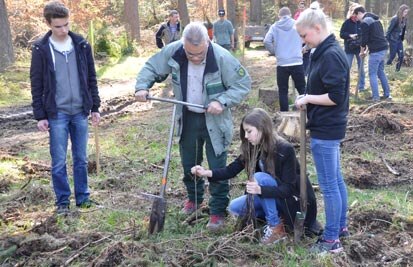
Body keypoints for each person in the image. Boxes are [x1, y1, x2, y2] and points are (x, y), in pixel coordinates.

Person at [135, 22, 251, 232]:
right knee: (189, 162)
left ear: (208, 42)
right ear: (183, 45)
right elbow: (151, 67)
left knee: (216, 167)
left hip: (215, 121)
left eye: (200, 54)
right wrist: (142, 86)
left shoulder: (222, 57)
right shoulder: (175, 51)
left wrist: (222, 101)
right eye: (190, 54)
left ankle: (217, 211)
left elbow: (243, 84)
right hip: (187, 116)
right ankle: (194, 199)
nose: (195, 58)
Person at [191, 108, 322, 245]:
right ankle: (275, 219)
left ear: (262, 129)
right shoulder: (254, 148)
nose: (246, 136)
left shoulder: (284, 149)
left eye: (249, 131)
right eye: (245, 132)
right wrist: (206, 173)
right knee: (235, 207)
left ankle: (275, 227)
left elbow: (288, 189)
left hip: (292, 203)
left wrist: (260, 190)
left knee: (260, 177)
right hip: (273, 196)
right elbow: (231, 170)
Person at [30, 1, 101, 214]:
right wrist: (40, 115)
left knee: (80, 158)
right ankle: (62, 202)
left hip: (80, 111)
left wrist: (95, 106)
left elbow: (91, 77)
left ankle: (83, 198)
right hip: (57, 113)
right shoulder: (41, 49)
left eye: (66, 24)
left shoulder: (81, 45)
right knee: (59, 161)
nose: (63, 30)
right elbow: (36, 83)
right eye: (58, 26)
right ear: (49, 24)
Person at [295, 8, 350, 254]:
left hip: (326, 129)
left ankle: (331, 241)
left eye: (304, 35)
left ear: (317, 29)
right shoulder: (323, 51)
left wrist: (307, 98)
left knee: (329, 186)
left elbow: (336, 96)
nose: (303, 40)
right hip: (327, 127)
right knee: (336, 181)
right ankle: (340, 228)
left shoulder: (331, 55)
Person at [264, 7, 306, 111]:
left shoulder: (275, 26)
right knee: (302, 89)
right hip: (297, 61)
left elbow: (266, 41)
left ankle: (284, 114)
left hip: (282, 63)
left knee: (283, 90)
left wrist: (274, 52)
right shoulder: (297, 24)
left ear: (279, 16)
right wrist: (303, 48)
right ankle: (307, 111)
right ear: (290, 15)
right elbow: (306, 36)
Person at [353, 6, 391, 101]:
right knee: (380, 72)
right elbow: (374, 37)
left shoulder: (365, 22)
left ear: (359, 13)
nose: (357, 19)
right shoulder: (376, 20)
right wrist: (366, 51)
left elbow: (364, 40)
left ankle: (376, 97)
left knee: (372, 74)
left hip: (377, 51)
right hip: (384, 48)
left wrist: (362, 51)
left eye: (356, 16)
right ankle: (387, 95)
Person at [340, 3, 365, 92]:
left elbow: (364, 34)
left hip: (359, 49)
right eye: (353, 12)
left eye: (356, 12)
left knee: (361, 67)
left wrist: (359, 37)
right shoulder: (346, 22)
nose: (354, 14)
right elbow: (341, 34)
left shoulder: (361, 22)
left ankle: (362, 86)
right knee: (347, 67)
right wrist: (350, 35)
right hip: (349, 49)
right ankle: (345, 86)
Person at [386, 4, 409, 72]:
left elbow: (404, 29)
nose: (405, 13)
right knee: (392, 55)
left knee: (401, 56)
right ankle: (386, 66)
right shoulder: (395, 19)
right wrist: (387, 40)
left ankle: (397, 70)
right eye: (405, 12)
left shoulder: (405, 19)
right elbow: (389, 30)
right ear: (401, 11)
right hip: (393, 40)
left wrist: (402, 38)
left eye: (406, 12)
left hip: (399, 40)